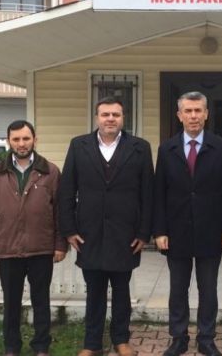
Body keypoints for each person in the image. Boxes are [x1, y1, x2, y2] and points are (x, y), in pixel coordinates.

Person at [58, 97, 154, 356]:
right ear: (96, 118)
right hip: (89, 234)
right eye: (105, 114)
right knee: (94, 292)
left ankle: (121, 340)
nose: (110, 119)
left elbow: (148, 193)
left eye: (116, 114)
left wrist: (144, 232)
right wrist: (69, 230)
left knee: (122, 291)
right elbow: (67, 189)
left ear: (123, 118)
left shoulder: (140, 148)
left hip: (126, 235)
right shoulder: (78, 145)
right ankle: (92, 344)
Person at [154, 91, 222, 356]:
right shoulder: (167, 149)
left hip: (211, 230)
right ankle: (178, 338)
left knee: (208, 289)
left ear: (206, 114)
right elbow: (159, 192)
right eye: (188, 111)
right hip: (176, 230)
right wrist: (160, 230)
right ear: (179, 115)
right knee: (178, 289)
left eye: (198, 110)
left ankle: (206, 338)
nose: (193, 116)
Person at [0, 120, 67, 356]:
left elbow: (60, 211)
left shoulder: (50, 171)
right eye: (16, 139)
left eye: (26, 138)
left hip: (41, 248)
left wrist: (60, 244)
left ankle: (41, 346)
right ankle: (11, 347)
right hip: (8, 249)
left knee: (41, 301)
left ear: (35, 140)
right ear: (8, 141)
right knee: (11, 303)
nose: (21, 143)